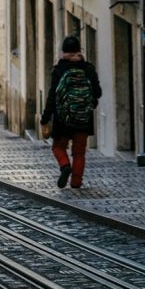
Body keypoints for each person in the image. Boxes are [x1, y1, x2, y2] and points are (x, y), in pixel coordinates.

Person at [40, 36, 102, 189]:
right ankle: (76, 182)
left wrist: (45, 118)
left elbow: (52, 96)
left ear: (63, 51)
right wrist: (89, 104)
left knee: (58, 147)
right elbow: (98, 92)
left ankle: (65, 165)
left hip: (63, 119)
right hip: (83, 118)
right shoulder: (88, 68)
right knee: (79, 153)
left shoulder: (59, 69)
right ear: (79, 50)